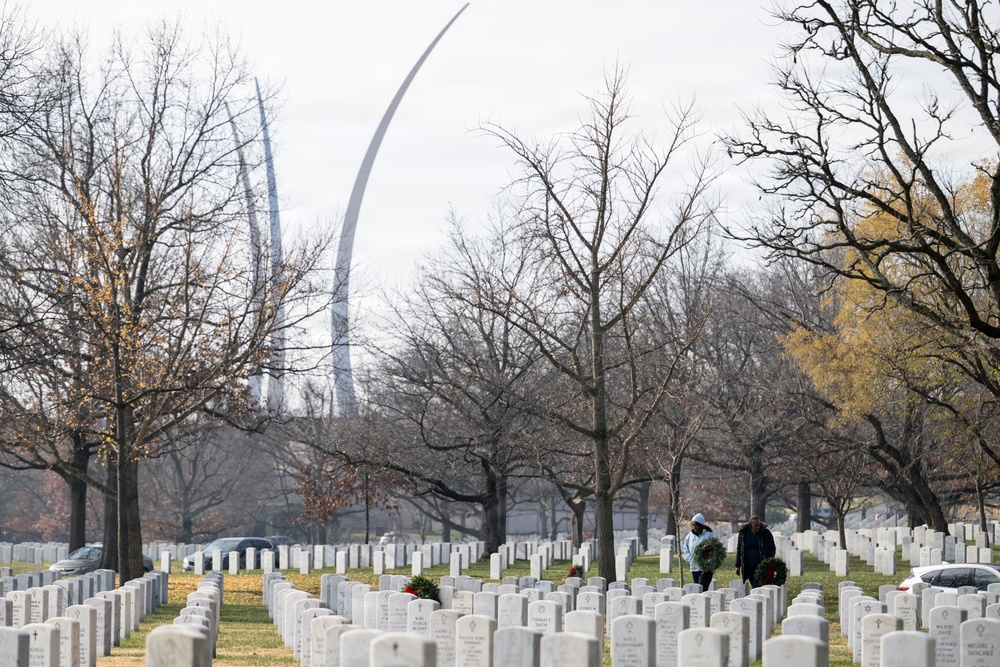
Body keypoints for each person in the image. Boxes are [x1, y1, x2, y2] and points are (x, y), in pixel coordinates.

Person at [735, 514, 776, 589]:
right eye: (755, 525)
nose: (758, 527)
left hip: (761, 564)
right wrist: (737, 566)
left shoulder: (765, 533)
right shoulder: (743, 533)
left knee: (756, 586)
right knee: (754, 584)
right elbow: (739, 549)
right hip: (748, 565)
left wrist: (770, 557)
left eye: (759, 525)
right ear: (750, 525)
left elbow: (772, 547)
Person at [681, 512, 717, 589]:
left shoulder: (709, 534)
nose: (695, 527)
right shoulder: (689, 536)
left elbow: (716, 547)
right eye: (693, 525)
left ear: (701, 525)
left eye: (697, 525)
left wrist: (709, 560)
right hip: (694, 567)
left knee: (702, 588)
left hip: (706, 567)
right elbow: (685, 548)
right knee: (697, 589)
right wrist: (689, 559)